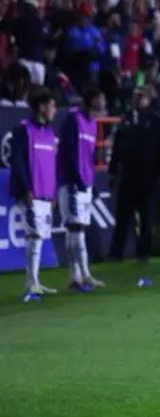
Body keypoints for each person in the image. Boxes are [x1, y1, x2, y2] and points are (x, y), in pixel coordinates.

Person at [108, 87, 160, 281]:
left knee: (147, 216)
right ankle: (116, 252)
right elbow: (118, 145)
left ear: (149, 99)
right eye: (135, 96)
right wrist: (113, 169)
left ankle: (143, 252)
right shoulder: (126, 119)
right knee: (122, 216)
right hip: (128, 173)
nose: (137, 99)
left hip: (149, 175)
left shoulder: (157, 121)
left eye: (141, 96)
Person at [11, 87, 58, 302]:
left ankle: (34, 281)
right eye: (52, 106)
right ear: (41, 107)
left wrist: (54, 190)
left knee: (39, 237)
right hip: (30, 192)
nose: (55, 110)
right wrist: (26, 188)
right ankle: (31, 283)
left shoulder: (49, 131)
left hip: (46, 193)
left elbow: (51, 163)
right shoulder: (24, 130)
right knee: (34, 235)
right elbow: (18, 161)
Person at [57, 87, 105, 292]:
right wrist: (76, 179)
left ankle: (75, 277)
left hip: (85, 182)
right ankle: (84, 275)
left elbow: (89, 155)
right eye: (100, 99)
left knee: (75, 229)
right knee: (76, 229)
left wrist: (90, 181)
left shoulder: (93, 123)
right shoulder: (73, 119)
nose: (103, 103)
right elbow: (68, 152)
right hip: (72, 183)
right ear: (92, 99)